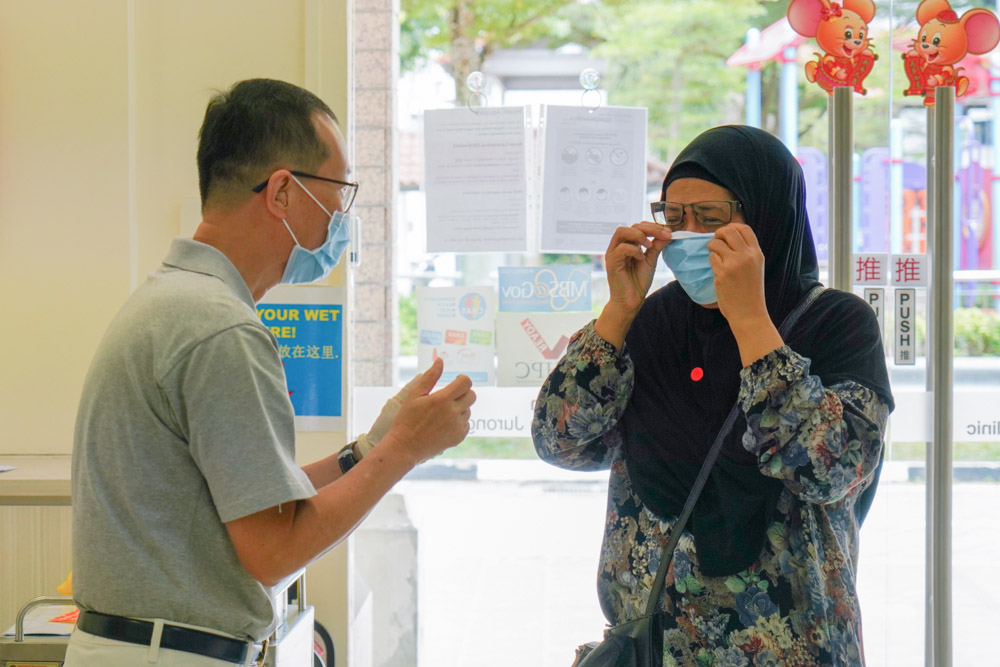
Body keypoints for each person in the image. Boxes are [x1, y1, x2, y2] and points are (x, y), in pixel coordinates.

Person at [67, 78, 476, 666]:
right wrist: (405, 450)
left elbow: (251, 499)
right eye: (340, 193)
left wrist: (366, 450)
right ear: (282, 191)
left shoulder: (177, 302)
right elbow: (274, 549)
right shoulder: (220, 330)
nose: (343, 218)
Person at [533, 125, 893, 666]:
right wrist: (618, 312)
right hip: (653, 649)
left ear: (766, 216)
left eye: (710, 218)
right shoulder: (650, 322)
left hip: (795, 650)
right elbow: (560, 442)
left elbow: (829, 469)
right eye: (674, 218)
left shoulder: (836, 323)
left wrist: (750, 320)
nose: (688, 237)